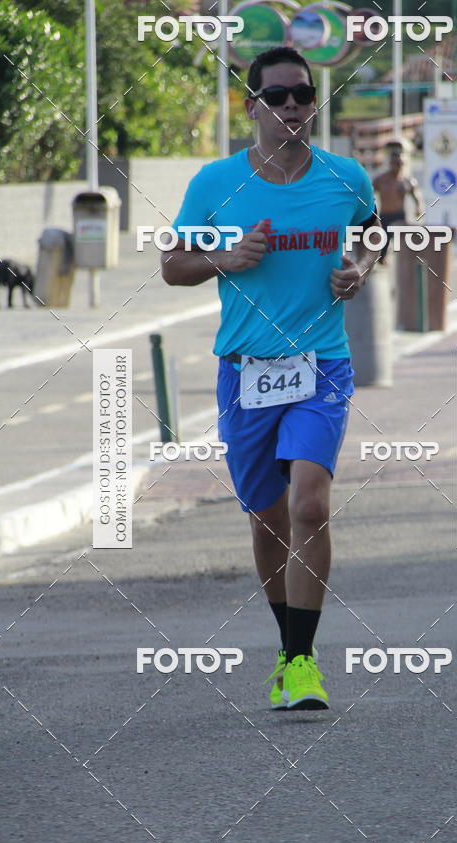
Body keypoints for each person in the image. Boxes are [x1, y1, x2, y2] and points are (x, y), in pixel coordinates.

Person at [161, 46, 380, 710]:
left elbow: (373, 233)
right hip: (246, 371)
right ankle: (287, 651)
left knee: (311, 502)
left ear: (314, 104)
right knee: (269, 519)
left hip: (322, 365)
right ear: (251, 106)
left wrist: (360, 270)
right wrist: (227, 256)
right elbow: (173, 265)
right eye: (278, 97)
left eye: (303, 96)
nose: (292, 107)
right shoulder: (215, 184)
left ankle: (301, 662)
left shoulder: (345, 178)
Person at [372, 141, 422, 265]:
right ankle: (382, 261)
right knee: (383, 243)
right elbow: (370, 196)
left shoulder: (407, 181)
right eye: (395, 163)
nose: (398, 166)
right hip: (385, 215)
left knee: (403, 243)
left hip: (400, 215)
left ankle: (404, 264)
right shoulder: (380, 180)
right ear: (390, 164)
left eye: (400, 164)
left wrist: (418, 208)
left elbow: (416, 197)